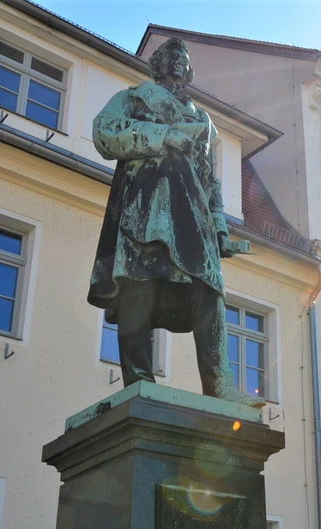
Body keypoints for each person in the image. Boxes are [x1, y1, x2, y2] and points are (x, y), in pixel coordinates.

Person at [88, 38, 264, 408]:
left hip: (192, 213)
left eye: (184, 59)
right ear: (158, 64)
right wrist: (163, 136)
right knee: (138, 284)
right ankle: (138, 379)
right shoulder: (135, 98)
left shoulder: (202, 119)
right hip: (146, 201)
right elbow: (104, 131)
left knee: (209, 290)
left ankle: (219, 386)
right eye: (172, 57)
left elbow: (208, 177)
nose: (179, 63)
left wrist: (219, 227)